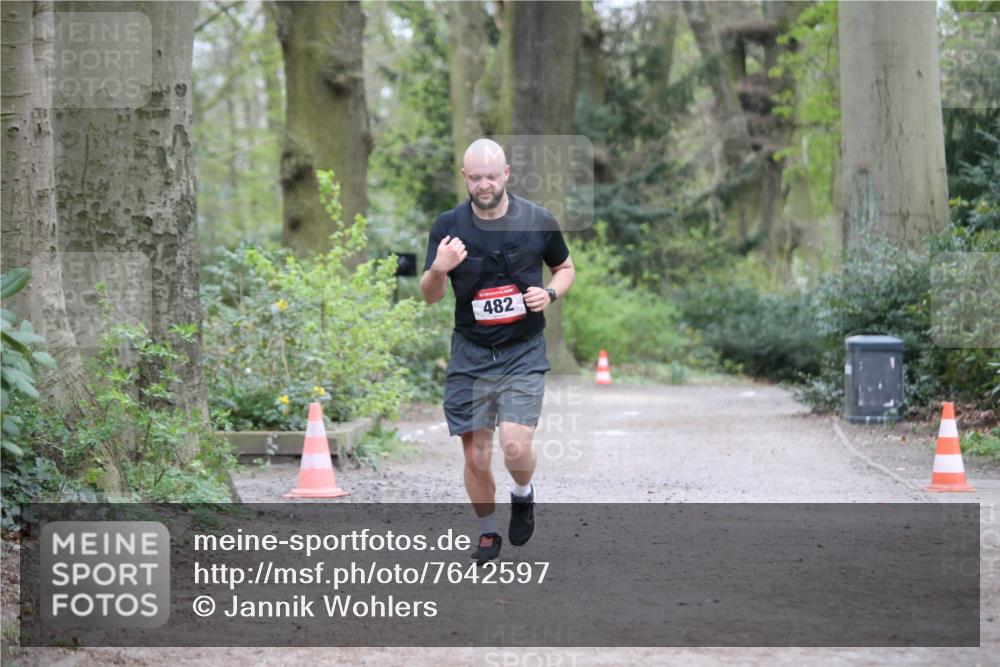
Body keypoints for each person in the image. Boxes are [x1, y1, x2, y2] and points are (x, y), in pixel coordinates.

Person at [420, 138, 575, 563]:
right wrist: (439, 268)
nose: (484, 185)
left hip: (522, 349)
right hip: (470, 351)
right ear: (464, 178)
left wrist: (550, 293)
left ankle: (522, 493)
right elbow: (430, 295)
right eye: (476, 178)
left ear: (506, 174)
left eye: (491, 176)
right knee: (475, 455)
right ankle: (488, 532)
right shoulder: (448, 226)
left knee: (515, 444)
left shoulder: (537, 220)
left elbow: (564, 268)